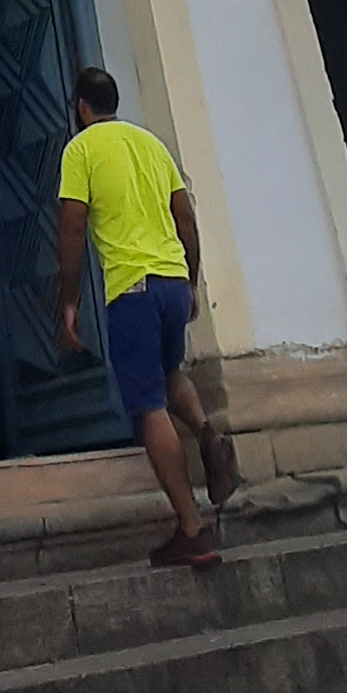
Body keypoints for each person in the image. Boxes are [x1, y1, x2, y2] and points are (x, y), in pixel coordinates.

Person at [56, 65, 242, 569]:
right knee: (169, 373)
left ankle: (191, 529)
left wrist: (68, 301)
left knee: (147, 406)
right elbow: (186, 216)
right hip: (172, 283)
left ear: (81, 107)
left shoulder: (81, 150)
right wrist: (192, 280)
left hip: (133, 291)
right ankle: (207, 431)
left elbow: (72, 230)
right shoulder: (152, 145)